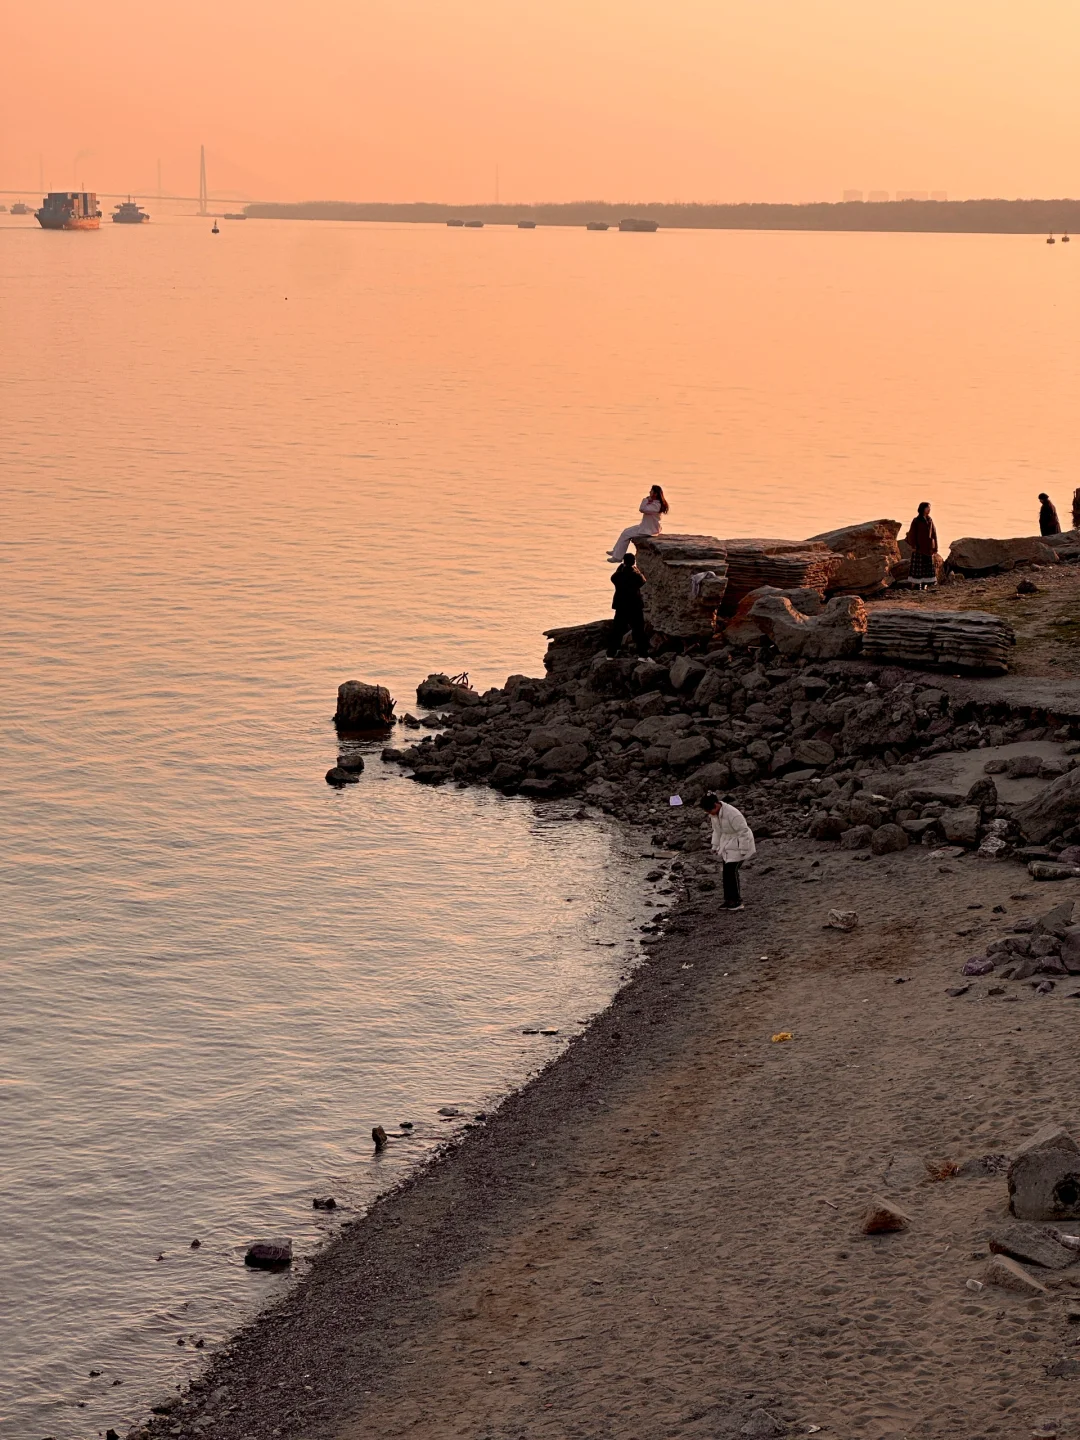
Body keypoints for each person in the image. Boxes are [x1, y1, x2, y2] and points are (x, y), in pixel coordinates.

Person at [698, 793, 756, 911]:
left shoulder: (733, 814)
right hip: (728, 844)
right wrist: (715, 846)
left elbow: (743, 831)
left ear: (716, 805)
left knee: (732, 872)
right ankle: (728, 900)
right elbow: (717, 831)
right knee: (726, 872)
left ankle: (737, 901)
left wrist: (744, 849)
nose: (709, 813)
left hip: (740, 844)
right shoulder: (714, 815)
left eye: (709, 810)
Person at [608, 484, 669, 562]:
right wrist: (649, 500)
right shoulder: (654, 503)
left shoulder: (656, 506)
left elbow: (642, 509)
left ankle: (618, 557)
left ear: (655, 494)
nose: (649, 492)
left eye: (651, 491)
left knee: (627, 534)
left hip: (649, 530)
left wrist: (646, 500)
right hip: (646, 526)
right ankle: (616, 551)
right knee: (626, 531)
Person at [607, 554, 648, 657]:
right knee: (639, 631)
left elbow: (613, 578)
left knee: (617, 631)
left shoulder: (618, 576)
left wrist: (620, 569)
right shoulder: (636, 576)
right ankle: (643, 655)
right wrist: (636, 570)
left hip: (621, 606)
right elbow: (643, 581)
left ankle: (611, 654)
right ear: (633, 561)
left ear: (624, 561)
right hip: (635, 606)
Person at [905, 501, 938, 584]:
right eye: (927, 508)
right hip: (918, 548)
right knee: (918, 568)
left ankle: (926, 584)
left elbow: (934, 533)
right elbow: (912, 533)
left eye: (929, 508)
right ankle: (917, 584)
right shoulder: (916, 521)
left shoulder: (930, 520)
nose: (929, 509)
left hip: (928, 547)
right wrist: (914, 545)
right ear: (922, 509)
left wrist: (935, 547)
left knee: (927, 567)